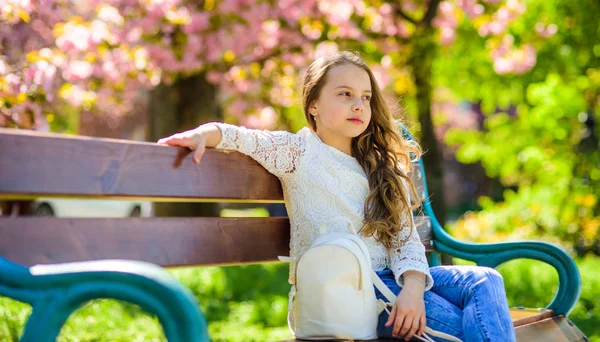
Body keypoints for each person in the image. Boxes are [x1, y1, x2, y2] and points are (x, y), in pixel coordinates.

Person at [157, 51, 516, 342]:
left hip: (397, 282)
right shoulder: (298, 153)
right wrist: (204, 134)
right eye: (344, 94)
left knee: (487, 281)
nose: (359, 105)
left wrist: (412, 286)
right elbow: (243, 137)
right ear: (313, 105)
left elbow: (404, 237)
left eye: (365, 97)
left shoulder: (377, 165)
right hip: (353, 293)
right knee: (472, 327)